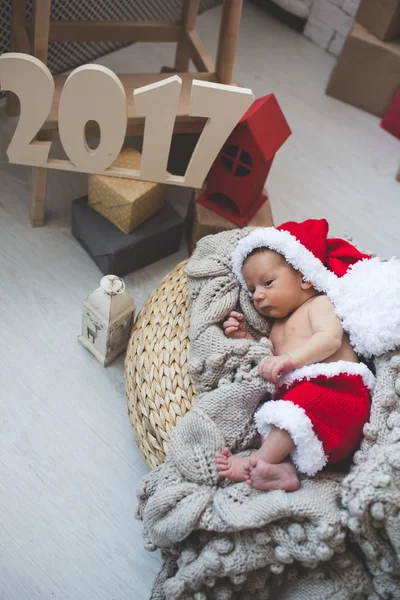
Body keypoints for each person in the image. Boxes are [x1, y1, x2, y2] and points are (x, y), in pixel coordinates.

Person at [215, 219, 375, 492]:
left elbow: (329, 339)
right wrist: (246, 339)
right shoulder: (276, 329)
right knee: (282, 415)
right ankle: (284, 468)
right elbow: (271, 359)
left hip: (340, 395)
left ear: (305, 277)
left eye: (267, 282)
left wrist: (289, 361)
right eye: (252, 289)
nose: (257, 296)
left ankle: (258, 460)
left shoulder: (320, 304)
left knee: (295, 409)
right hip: (310, 421)